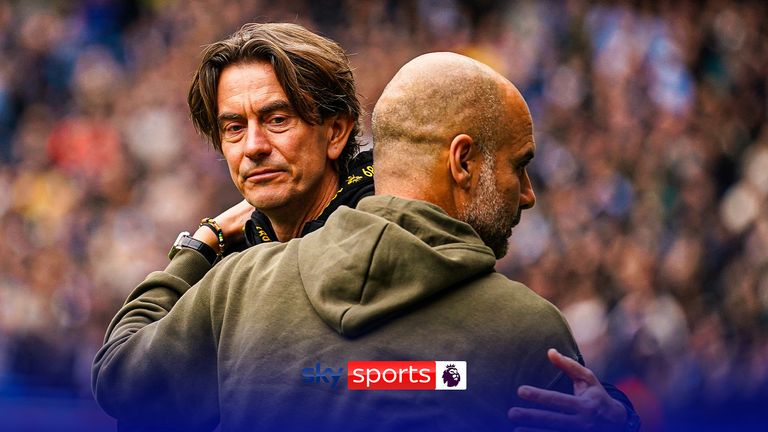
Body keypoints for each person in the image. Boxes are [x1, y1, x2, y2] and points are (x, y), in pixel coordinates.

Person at [92, 23, 638, 431]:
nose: (254, 146)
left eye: (277, 119)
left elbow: (470, 361)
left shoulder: (248, 279)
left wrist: (196, 247)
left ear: (337, 133)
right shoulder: (240, 267)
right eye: (234, 127)